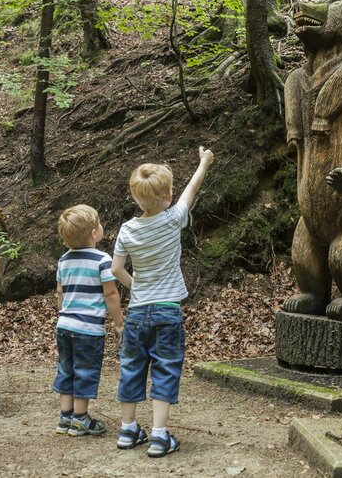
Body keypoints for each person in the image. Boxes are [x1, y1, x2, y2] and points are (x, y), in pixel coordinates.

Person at [111, 146, 214, 457]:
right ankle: (158, 436)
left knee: (132, 367)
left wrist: (137, 285)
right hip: (167, 311)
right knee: (166, 369)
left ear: (136, 197)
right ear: (168, 195)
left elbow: (116, 270)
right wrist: (204, 161)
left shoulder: (127, 230)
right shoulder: (172, 219)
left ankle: (128, 430)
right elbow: (192, 189)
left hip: (137, 313)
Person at [53, 204, 124, 436]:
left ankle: (65, 417)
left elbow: (60, 293)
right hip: (88, 328)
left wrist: (64, 314)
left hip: (64, 325)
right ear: (94, 233)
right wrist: (118, 322)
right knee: (84, 370)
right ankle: (81, 419)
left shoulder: (63, 260)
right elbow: (111, 294)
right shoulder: (102, 260)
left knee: (67, 368)